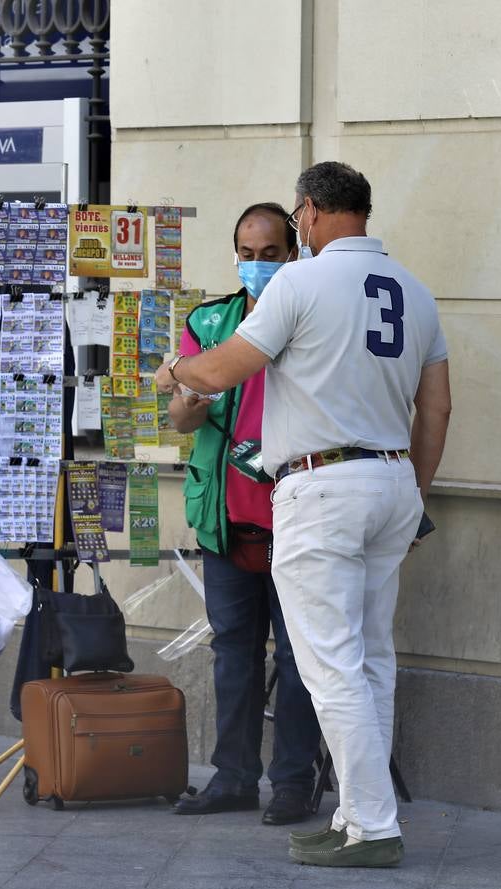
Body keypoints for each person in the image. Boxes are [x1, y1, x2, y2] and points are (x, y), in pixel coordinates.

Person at [155, 162, 451, 868]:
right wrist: (417, 494)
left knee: (330, 666)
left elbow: (222, 371)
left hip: (322, 489)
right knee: (372, 659)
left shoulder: (301, 280)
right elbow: (435, 407)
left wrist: (175, 372)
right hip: (390, 482)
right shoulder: (414, 291)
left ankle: (373, 826)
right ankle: (355, 815)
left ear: (310, 214)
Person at [169, 203, 322, 827]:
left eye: (269, 253)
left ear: (294, 253)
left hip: (298, 515)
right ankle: (232, 776)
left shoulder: (313, 317)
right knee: (232, 651)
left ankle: (293, 780)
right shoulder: (210, 321)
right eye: (246, 253)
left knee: (296, 656)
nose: (256, 264)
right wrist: (195, 396)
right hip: (226, 516)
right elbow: (181, 418)